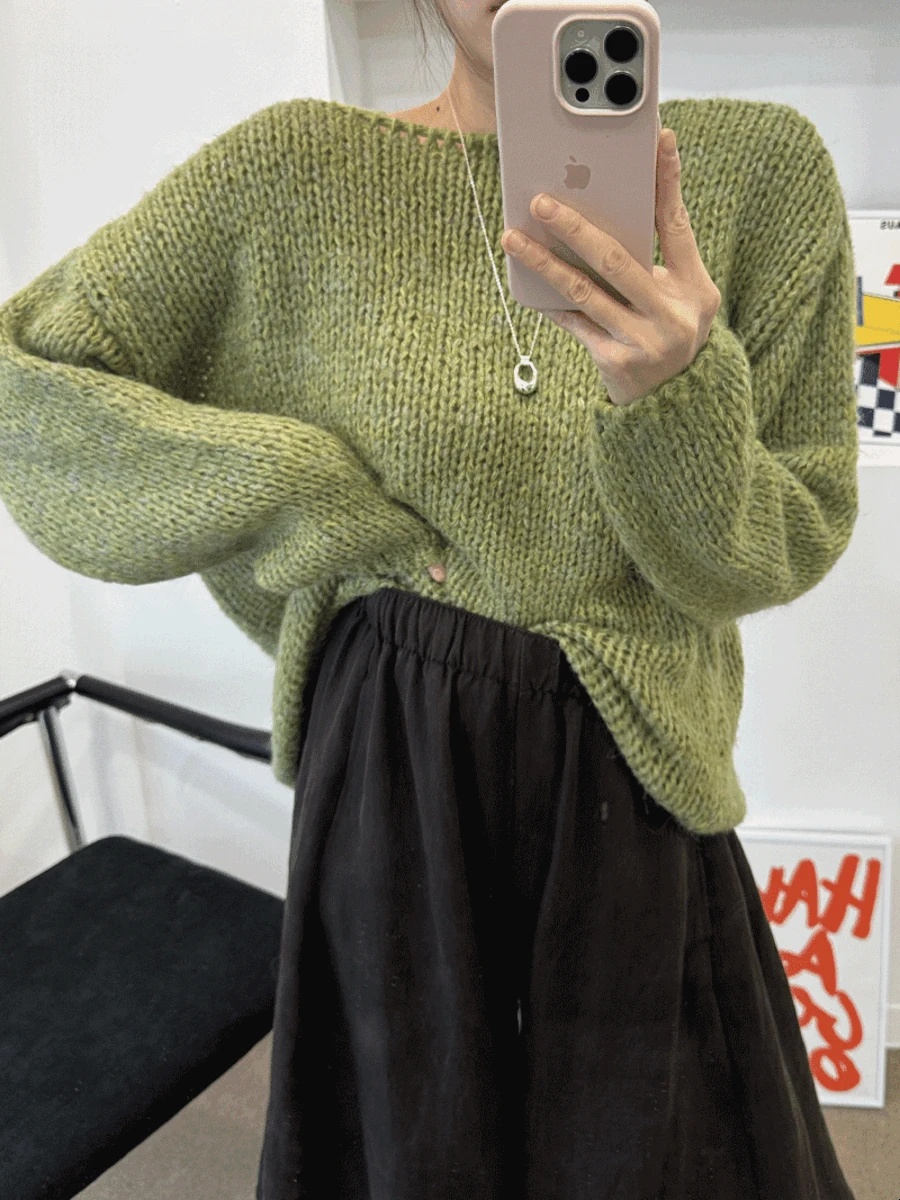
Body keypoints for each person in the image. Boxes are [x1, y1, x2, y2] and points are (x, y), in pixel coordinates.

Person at [0, 0, 862, 1195]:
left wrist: (676, 399)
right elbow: (31, 388)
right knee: (410, 1139)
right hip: (395, 759)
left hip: (635, 764)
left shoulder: (765, 174)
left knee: (654, 1145)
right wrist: (302, 493)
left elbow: (785, 538)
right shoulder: (295, 172)